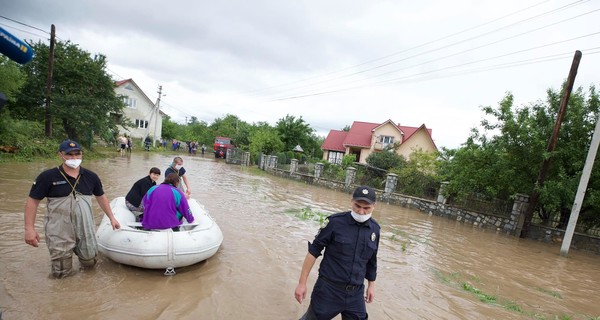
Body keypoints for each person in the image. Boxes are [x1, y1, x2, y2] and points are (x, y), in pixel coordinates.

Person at [24, 140, 121, 278]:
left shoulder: (91, 176)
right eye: (69, 155)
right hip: (59, 228)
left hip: (85, 226)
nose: (74, 158)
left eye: (77, 154)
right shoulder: (47, 177)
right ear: (61, 155)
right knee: (61, 271)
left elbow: (101, 197)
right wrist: (29, 229)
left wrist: (112, 218)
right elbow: (32, 202)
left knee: (90, 261)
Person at [294, 185, 380, 320]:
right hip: (328, 290)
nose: (361, 212)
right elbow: (313, 251)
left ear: (374, 206)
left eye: (366, 208)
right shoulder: (334, 222)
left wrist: (371, 286)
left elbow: (372, 260)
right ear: (351, 201)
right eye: (357, 206)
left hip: (355, 294)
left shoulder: (375, 230)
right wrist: (302, 283)